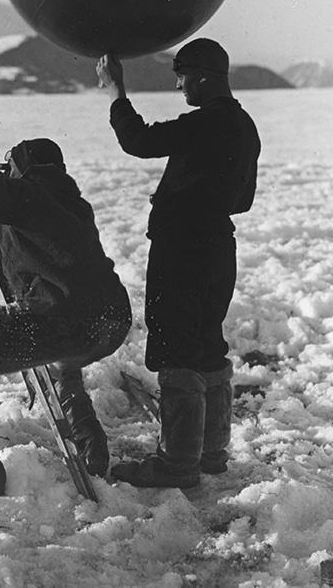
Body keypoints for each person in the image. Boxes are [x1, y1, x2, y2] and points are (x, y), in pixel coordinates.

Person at [0, 138, 132, 497]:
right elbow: (40, 265)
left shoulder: (31, 194)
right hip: (108, 320)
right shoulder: (68, 202)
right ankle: (88, 438)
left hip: (69, 322)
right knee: (57, 359)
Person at [95, 38, 260, 490]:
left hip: (182, 249)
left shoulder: (204, 123)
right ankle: (210, 453)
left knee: (176, 347)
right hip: (218, 247)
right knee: (207, 343)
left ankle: (177, 464)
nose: (180, 85)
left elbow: (139, 140)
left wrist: (116, 92)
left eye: (183, 76)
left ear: (203, 76)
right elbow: (242, 198)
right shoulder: (244, 125)